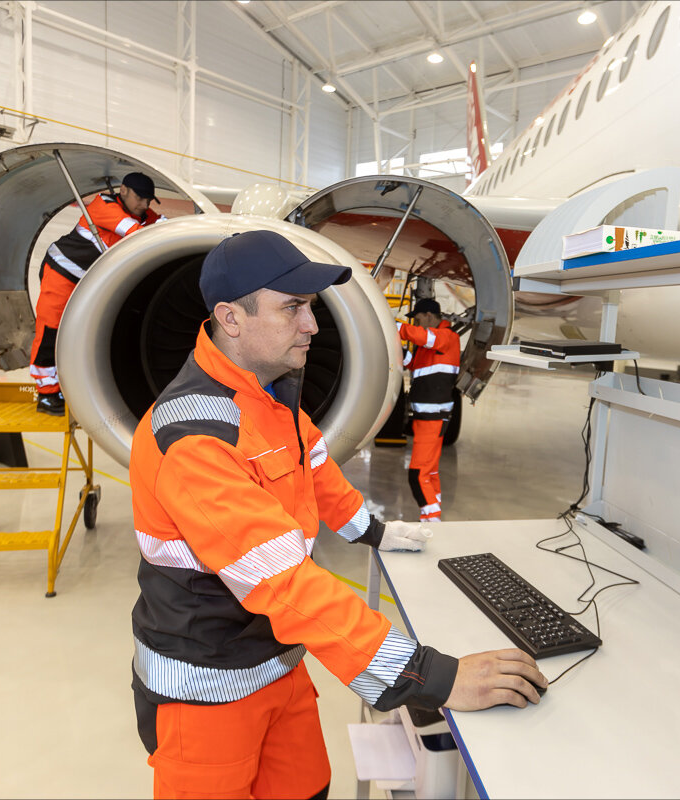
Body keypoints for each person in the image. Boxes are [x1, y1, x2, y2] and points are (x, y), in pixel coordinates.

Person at [128, 230, 546, 800]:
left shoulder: (267, 395)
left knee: (309, 788)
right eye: (293, 308)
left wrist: (376, 531)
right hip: (207, 688)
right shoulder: (193, 435)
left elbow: (313, 469)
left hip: (277, 658)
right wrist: (430, 678)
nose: (313, 326)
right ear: (231, 317)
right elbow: (284, 583)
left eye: (312, 307)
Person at [29, 171, 164, 415]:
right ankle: (46, 395)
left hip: (86, 282)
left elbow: (165, 226)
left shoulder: (143, 215)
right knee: (51, 329)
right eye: (140, 198)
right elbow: (137, 234)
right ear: (123, 191)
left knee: (81, 334)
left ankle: (67, 386)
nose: (144, 205)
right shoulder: (103, 207)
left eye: (148, 201)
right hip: (62, 273)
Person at [397, 297, 460, 521]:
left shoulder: (446, 337)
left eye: (418, 319)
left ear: (430, 316)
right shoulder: (431, 345)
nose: (417, 324)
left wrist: (394, 327)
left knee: (417, 474)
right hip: (428, 418)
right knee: (430, 471)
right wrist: (400, 351)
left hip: (432, 419)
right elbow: (414, 364)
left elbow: (426, 337)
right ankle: (435, 514)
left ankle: (431, 520)